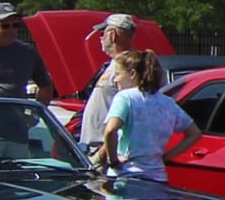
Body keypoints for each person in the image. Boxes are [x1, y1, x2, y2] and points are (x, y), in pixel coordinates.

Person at [98, 50, 203, 182]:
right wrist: (166, 157)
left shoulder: (125, 97)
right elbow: (195, 133)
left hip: (127, 176)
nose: (115, 79)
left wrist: (113, 161)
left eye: (118, 74)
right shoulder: (168, 103)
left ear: (132, 74)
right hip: (157, 177)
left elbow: (110, 130)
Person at [81, 13, 138, 152]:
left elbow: (132, 115)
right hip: (94, 148)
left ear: (112, 35)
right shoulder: (115, 64)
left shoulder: (129, 67)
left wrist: (104, 153)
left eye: (103, 33)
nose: (101, 38)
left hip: (104, 151)